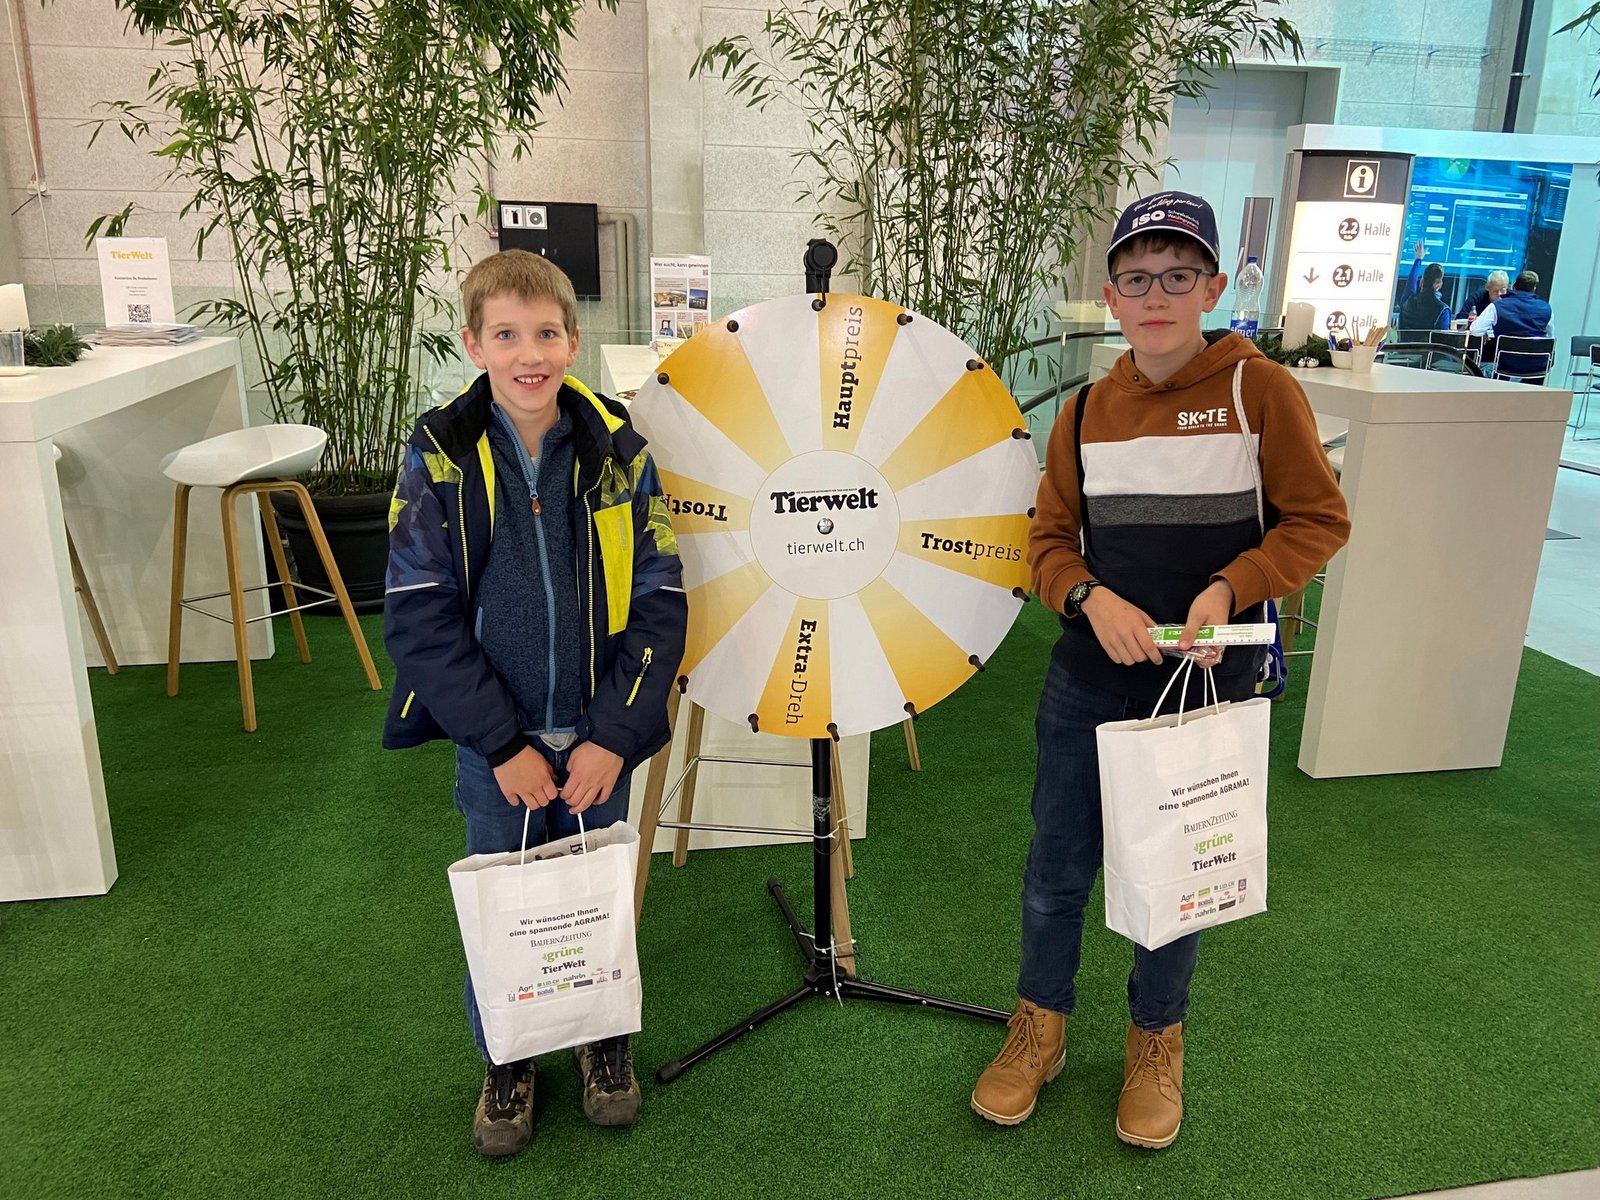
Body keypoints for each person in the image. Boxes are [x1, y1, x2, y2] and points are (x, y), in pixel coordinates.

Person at [969, 191, 1350, 1149]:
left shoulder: (1260, 390)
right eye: (1137, 278)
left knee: (1176, 878)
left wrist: (1231, 587)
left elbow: (1318, 519)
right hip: (1087, 682)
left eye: (1179, 276)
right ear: (1111, 296)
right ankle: (1040, 1028)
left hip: (1206, 690)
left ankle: (1155, 1042)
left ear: (1213, 288)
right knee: (1056, 869)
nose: (1156, 295)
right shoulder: (1086, 411)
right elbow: (1046, 542)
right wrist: (1089, 599)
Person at [382, 249, 687, 1157]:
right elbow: (419, 616)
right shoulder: (439, 456)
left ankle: (603, 1042)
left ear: (572, 340)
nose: (530, 355)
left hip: (596, 739)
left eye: (546, 333)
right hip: (500, 747)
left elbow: (660, 599)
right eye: (507, 335)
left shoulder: (619, 453)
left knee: (595, 895)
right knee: (506, 899)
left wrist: (614, 737)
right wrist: (501, 744)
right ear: (474, 344)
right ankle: (508, 1058)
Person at [1470, 269, 1554, 382]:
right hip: (1537, 367)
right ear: (1534, 289)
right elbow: (1550, 338)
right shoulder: (1547, 308)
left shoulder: (1497, 306)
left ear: (1513, 287)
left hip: (1506, 365)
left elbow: (1475, 330)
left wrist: (1485, 332)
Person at [1397, 239, 1452, 332]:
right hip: (1427, 343)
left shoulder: (1407, 300)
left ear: (1422, 281)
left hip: (1404, 342)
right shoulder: (1442, 310)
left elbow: (1411, 283)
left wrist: (1418, 259)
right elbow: (1443, 338)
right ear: (1439, 285)